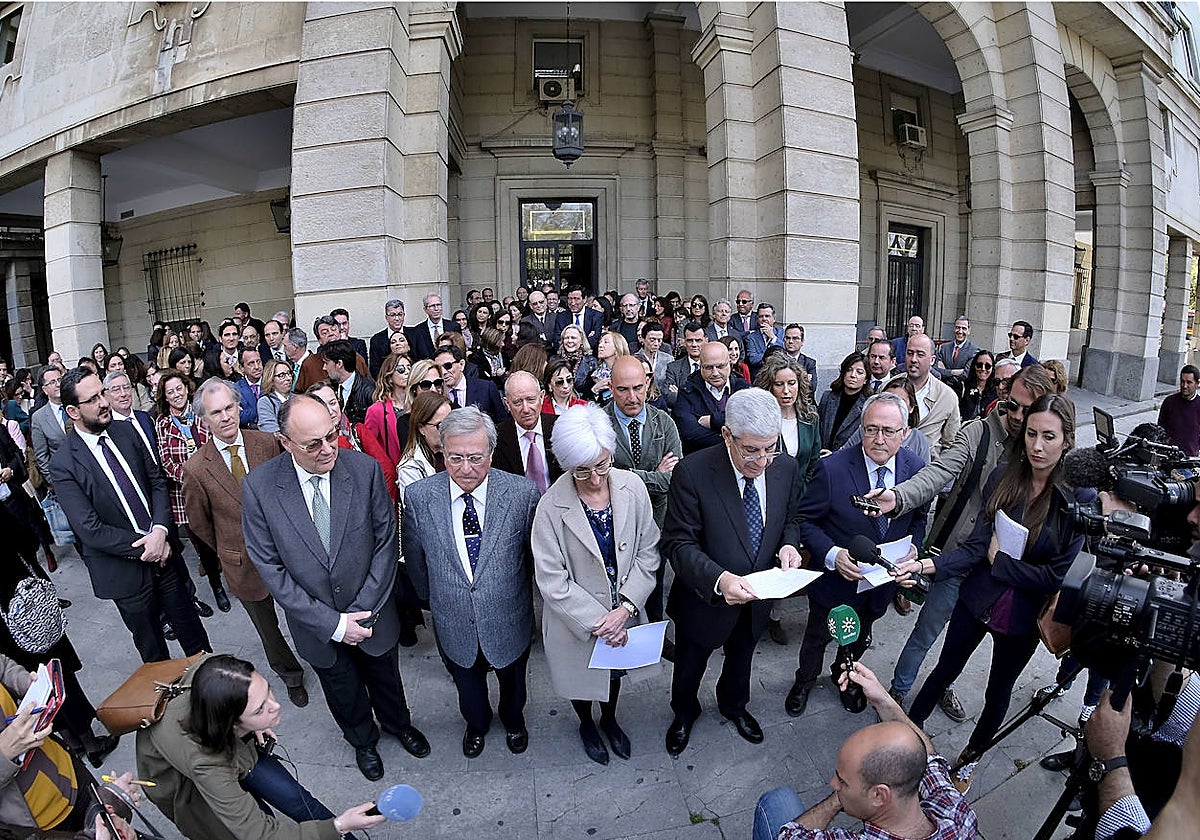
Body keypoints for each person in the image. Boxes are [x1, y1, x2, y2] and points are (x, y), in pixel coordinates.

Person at [242, 394, 429, 780]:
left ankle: (398, 725)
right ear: (284, 441)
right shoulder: (260, 487)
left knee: (386, 678)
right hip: (317, 628)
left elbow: (384, 543)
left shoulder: (364, 471)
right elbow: (271, 568)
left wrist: (363, 609)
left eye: (332, 435)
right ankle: (363, 740)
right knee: (341, 689)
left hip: (373, 614)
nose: (328, 449)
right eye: (313, 444)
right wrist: (334, 624)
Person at [906, 393, 1086, 793]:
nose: (1038, 446)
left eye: (1049, 437)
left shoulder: (1076, 502)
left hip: (1021, 619)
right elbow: (975, 548)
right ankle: (906, 737)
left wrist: (1002, 563)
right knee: (942, 671)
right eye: (1032, 434)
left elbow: (1054, 577)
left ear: (1067, 440)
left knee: (997, 693)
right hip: (977, 600)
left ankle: (970, 759)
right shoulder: (1004, 476)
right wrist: (924, 566)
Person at [868, 364, 1054, 716]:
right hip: (956, 558)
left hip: (998, 573)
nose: (1015, 415)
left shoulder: (1042, 448)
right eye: (1011, 403)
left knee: (962, 643)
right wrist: (899, 496)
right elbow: (938, 473)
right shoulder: (979, 433)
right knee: (927, 631)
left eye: (1026, 410)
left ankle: (944, 685)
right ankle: (897, 692)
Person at [662, 388, 805, 756]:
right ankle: (684, 713)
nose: (762, 461)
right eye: (751, 450)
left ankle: (734, 706)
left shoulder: (784, 467)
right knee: (690, 666)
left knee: (742, 659)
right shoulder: (693, 471)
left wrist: (789, 545)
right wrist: (719, 580)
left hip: (757, 598)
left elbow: (790, 519)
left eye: (769, 448)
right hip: (705, 601)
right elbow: (678, 543)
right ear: (727, 435)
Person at [402, 406, 541, 758]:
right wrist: (432, 600)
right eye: (455, 457)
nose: (465, 468)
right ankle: (476, 727)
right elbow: (416, 561)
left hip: (510, 616)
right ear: (441, 451)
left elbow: (531, 558)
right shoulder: (419, 497)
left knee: (514, 686)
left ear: (491, 454)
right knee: (469, 690)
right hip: (452, 622)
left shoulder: (522, 495)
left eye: (476, 458)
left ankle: (514, 723)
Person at [49, 368, 210, 662]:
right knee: (154, 656)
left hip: (165, 556)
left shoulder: (126, 431)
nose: (105, 402)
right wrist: (148, 546)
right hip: (125, 573)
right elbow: (89, 529)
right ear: (73, 411)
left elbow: (157, 482)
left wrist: (160, 531)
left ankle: (215, 700)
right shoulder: (63, 464)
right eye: (94, 398)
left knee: (195, 639)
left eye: (103, 393)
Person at [532, 403, 662, 764]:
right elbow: (551, 579)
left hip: (623, 612)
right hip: (578, 621)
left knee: (614, 674)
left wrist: (627, 608)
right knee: (582, 678)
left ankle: (609, 719)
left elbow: (649, 551)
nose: (594, 478)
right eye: (582, 470)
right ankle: (586, 722)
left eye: (602, 465)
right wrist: (602, 622)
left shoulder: (632, 486)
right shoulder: (549, 506)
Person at [137, 654, 385, 840]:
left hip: (231, 742)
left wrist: (254, 724)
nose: (275, 706)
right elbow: (259, 833)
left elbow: (207, 660)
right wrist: (339, 825)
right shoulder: (206, 764)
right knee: (256, 816)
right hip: (188, 781)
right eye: (259, 709)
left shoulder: (219, 670)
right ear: (232, 723)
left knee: (295, 798)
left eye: (268, 691)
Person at [787, 392, 928, 717]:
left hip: (880, 587)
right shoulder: (832, 468)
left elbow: (919, 517)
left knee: (859, 638)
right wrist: (834, 554)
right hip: (836, 584)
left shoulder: (917, 468)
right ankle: (804, 681)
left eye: (888, 431)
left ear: (905, 433)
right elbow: (805, 520)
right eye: (871, 429)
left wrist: (912, 548)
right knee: (817, 639)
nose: (878, 439)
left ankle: (844, 675)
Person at [183, 379, 308, 708]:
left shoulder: (266, 443)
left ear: (239, 407)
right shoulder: (196, 469)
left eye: (229, 408)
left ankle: (323, 661)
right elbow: (199, 523)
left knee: (304, 613)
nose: (225, 417)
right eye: (215, 413)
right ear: (204, 420)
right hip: (243, 564)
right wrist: (230, 547)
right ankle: (291, 674)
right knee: (269, 629)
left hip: (289, 553)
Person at [753, 661, 977, 840]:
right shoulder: (957, 815)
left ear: (879, 795)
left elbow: (789, 835)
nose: (833, 783)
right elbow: (929, 759)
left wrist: (836, 800)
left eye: (842, 781)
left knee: (777, 801)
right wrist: (885, 701)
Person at [753, 355, 821, 646]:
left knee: (790, 557)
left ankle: (776, 616)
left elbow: (814, 459)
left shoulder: (810, 418)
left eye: (791, 383)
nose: (786, 390)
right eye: (778, 384)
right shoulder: (761, 420)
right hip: (766, 497)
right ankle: (754, 610)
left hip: (800, 499)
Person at [155, 371, 225, 614]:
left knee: (224, 533)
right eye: (170, 392)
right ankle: (217, 587)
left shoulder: (201, 413)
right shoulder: (163, 423)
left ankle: (234, 573)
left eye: (179, 389)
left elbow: (216, 444)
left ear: (187, 388)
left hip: (215, 485)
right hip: (185, 494)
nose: (176, 395)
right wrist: (191, 477)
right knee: (203, 542)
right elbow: (166, 461)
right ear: (164, 397)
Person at [491, 371, 562, 493]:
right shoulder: (496, 437)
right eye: (517, 402)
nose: (526, 409)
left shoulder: (560, 428)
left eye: (531, 400)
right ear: (507, 403)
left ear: (541, 397)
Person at [674, 340, 750, 453]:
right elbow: (689, 433)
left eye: (720, 366)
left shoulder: (743, 388)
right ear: (700, 366)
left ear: (730, 363)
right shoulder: (687, 391)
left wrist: (714, 421)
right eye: (708, 367)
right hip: (701, 459)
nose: (715, 373)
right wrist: (733, 442)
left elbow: (750, 421)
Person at [905, 334, 962, 457]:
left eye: (920, 355)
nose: (913, 359)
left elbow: (951, 444)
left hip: (928, 470)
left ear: (932, 360)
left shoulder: (947, 396)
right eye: (910, 353)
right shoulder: (889, 388)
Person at [362, 352, 412, 467]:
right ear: (389, 375)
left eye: (409, 367)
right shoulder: (377, 410)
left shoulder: (419, 403)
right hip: (395, 471)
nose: (407, 372)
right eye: (400, 369)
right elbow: (370, 447)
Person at [434, 344, 506, 422]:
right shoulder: (436, 394)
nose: (444, 372)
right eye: (439, 368)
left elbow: (502, 422)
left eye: (448, 366)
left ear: (461, 364)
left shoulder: (486, 388)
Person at [817, 351, 868, 451]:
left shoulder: (868, 405)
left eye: (859, 372)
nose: (853, 375)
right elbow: (817, 430)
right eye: (849, 370)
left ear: (866, 379)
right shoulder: (828, 397)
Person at [321, 339, 375, 426]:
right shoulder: (328, 387)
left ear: (339, 364)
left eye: (326, 363)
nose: (324, 368)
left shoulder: (370, 392)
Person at [31, 364, 68, 487]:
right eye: (52, 382)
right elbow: (42, 457)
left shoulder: (78, 405)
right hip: (64, 479)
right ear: (45, 389)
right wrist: (55, 482)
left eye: (59, 380)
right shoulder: (39, 418)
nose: (58, 384)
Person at [1157, 364, 1200, 456]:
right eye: (1182, 381)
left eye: (1189, 382)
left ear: (1197, 383)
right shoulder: (1169, 402)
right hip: (1167, 457)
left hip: (1188, 460)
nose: (1184, 386)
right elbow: (1160, 429)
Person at [578, 331, 628, 405]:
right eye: (600, 342)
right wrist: (595, 390)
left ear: (618, 346)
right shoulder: (592, 375)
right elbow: (584, 404)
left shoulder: (628, 373)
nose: (600, 345)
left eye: (606, 342)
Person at [553, 285, 605, 349]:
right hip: (566, 355)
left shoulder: (596, 316)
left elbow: (595, 339)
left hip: (589, 355)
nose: (573, 303)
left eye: (576, 299)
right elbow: (557, 340)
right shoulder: (561, 317)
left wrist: (574, 346)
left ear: (585, 299)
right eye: (570, 299)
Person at [744, 303, 787, 375]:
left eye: (767, 316)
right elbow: (753, 359)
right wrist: (774, 357)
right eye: (761, 316)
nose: (764, 319)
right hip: (759, 376)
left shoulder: (781, 333)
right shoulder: (751, 337)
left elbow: (786, 353)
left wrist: (773, 337)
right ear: (757, 319)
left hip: (780, 374)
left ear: (774, 319)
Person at [369, 299, 407, 378]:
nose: (397, 318)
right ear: (386, 317)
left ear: (404, 315)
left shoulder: (415, 334)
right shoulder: (376, 340)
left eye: (400, 314)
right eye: (393, 315)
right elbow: (374, 368)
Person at [934, 315, 979, 382]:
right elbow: (936, 369)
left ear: (969, 331)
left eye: (964, 328)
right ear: (954, 328)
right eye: (958, 327)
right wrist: (953, 372)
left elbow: (966, 374)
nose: (960, 331)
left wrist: (945, 372)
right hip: (943, 388)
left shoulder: (974, 351)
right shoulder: (943, 348)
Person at [256, 358, 294, 434]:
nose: (288, 378)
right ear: (271, 379)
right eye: (282, 375)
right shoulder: (265, 402)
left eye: (289, 373)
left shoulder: (298, 399)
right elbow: (270, 430)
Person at [958, 349, 998, 421]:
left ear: (993, 368)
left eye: (987, 366)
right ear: (974, 366)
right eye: (979, 365)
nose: (983, 369)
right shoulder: (962, 386)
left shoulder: (996, 390)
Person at [234, 347, 265, 428]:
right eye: (251, 363)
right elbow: (237, 417)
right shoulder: (236, 389)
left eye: (258, 361)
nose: (257, 367)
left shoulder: (272, 383)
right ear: (241, 368)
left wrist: (247, 413)